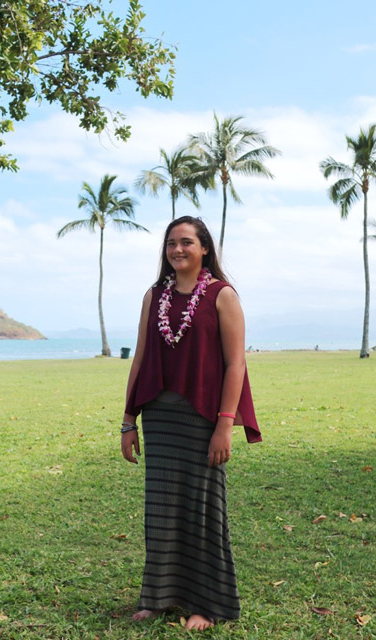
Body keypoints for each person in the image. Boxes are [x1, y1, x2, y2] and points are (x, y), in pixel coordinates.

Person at [122, 216, 262, 632]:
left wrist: (224, 425)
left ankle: (205, 602)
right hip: (160, 418)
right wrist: (128, 420)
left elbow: (236, 364)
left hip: (203, 416)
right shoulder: (154, 296)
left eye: (186, 242)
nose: (177, 250)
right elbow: (142, 358)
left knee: (203, 510)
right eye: (170, 244)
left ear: (204, 249)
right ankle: (158, 597)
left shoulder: (222, 296)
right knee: (162, 509)